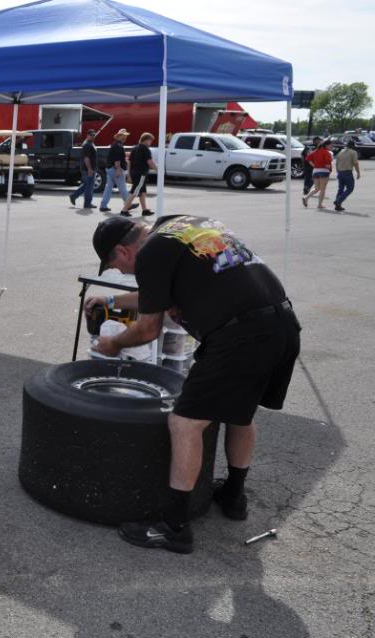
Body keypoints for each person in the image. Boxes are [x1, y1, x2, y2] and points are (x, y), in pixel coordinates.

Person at [87, 215, 300, 554]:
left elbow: (148, 329)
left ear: (123, 251)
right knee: (240, 413)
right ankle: (233, 497)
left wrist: (113, 343)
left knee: (185, 422)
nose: (122, 273)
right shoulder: (179, 227)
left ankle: (174, 527)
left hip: (240, 335)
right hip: (282, 324)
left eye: (116, 267)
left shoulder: (149, 254)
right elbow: (155, 297)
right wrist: (111, 301)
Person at [119, 132, 157, 218]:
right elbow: (149, 161)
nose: (151, 143)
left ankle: (145, 210)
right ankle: (124, 210)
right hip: (141, 174)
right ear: (147, 140)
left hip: (134, 173)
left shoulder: (135, 148)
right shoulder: (145, 149)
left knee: (142, 192)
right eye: (150, 141)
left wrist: (129, 174)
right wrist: (157, 169)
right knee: (135, 191)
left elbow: (129, 162)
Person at [98, 129, 131, 213]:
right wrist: (118, 169)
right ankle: (128, 204)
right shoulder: (118, 146)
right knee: (122, 188)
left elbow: (117, 157)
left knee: (108, 188)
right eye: (123, 136)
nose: (125, 137)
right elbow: (117, 160)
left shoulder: (116, 145)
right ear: (119, 136)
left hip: (110, 168)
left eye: (126, 136)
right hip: (115, 169)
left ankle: (103, 206)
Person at [68, 129, 98, 209]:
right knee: (89, 187)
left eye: (94, 135)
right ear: (87, 135)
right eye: (91, 135)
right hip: (87, 169)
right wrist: (89, 169)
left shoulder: (90, 143)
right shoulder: (87, 145)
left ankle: (74, 196)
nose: (93, 136)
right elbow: (86, 158)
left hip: (88, 169)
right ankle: (87, 203)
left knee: (86, 185)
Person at [303, 139, 333, 209]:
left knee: (317, 188)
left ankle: (306, 198)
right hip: (324, 171)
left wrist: (314, 165)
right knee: (322, 189)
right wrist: (330, 165)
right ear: (326, 145)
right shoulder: (327, 153)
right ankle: (319, 204)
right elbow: (327, 165)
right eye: (331, 145)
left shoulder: (315, 151)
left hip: (315, 171)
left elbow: (307, 158)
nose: (332, 147)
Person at [333, 140, 361, 211]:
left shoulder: (341, 152)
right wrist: (358, 173)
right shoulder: (353, 152)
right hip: (347, 172)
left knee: (340, 189)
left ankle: (338, 205)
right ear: (353, 146)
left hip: (340, 172)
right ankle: (338, 200)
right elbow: (355, 163)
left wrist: (338, 172)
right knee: (350, 188)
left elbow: (336, 163)